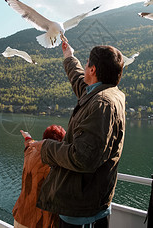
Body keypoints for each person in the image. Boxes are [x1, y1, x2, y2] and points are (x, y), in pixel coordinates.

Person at [29, 42, 125, 228]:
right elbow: (79, 81)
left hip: (83, 210)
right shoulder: (105, 94)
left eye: (87, 62)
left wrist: (45, 147)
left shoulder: (101, 104)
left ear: (93, 69)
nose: (85, 65)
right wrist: (68, 56)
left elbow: (82, 158)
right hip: (90, 203)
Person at [13, 124, 66, 228]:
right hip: (38, 222)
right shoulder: (55, 164)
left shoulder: (31, 151)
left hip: (20, 215)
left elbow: (29, 143)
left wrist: (27, 136)